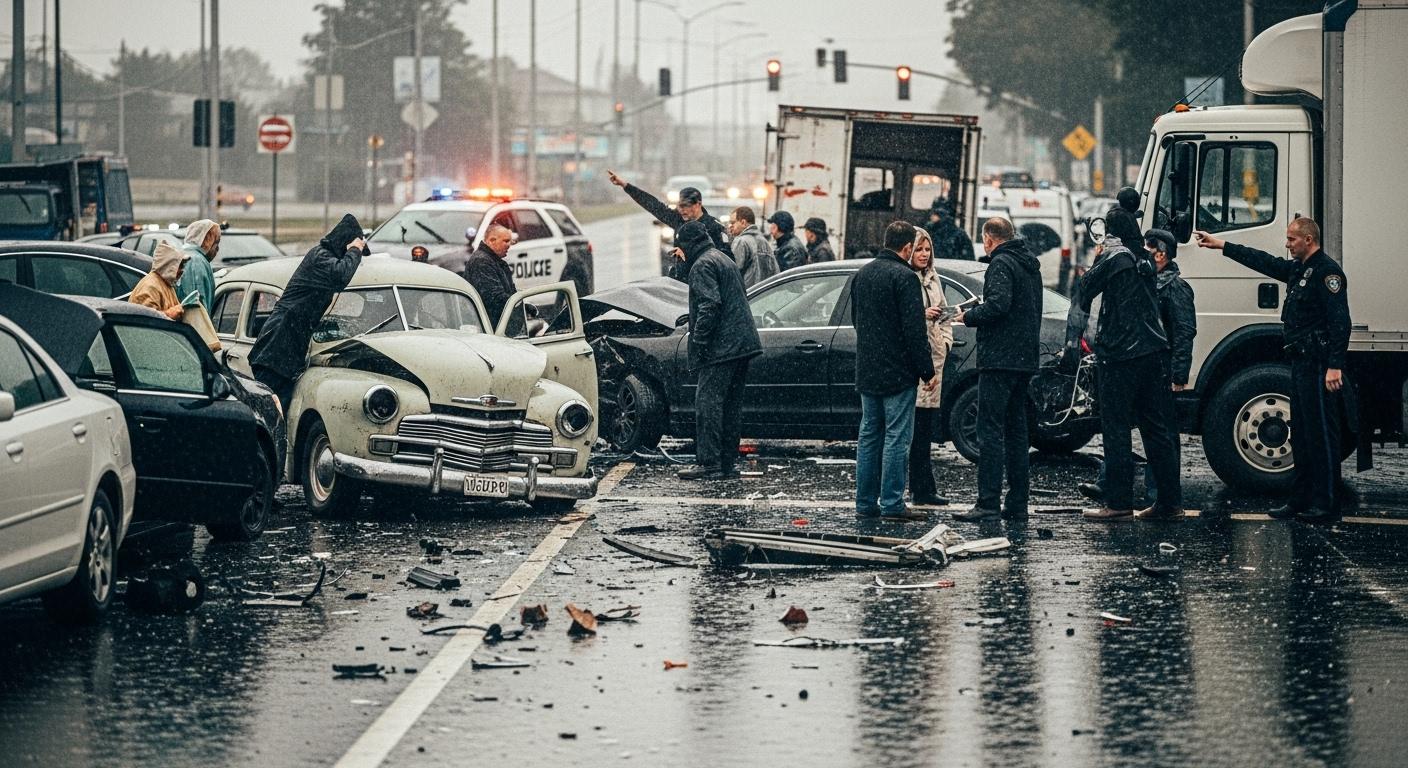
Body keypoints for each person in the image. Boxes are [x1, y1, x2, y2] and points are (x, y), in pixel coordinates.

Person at [1196, 219, 1349, 523]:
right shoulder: (1299, 269)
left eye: (1293, 239)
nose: (1288, 244)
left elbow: (1340, 322)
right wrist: (1223, 245)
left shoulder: (1327, 273)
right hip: (1300, 363)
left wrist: (1335, 366)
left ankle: (1327, 505)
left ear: (1309, 239)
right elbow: (1263, 262)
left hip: (1318, 365)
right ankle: (1300, 499)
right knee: (1302, 437)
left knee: (1321, 436)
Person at [1072, 207, 1182, 520]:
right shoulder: (1146, 258)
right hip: (1153, 353)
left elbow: (1085, 289)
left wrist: (1099, 256)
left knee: (1116, 428)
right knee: (1156, 429)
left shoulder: (1114, 257)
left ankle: (1118, 503)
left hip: (1121, 355)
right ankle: (1170, 502)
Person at [953, 218, 1042, 521]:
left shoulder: (1001, 264)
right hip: (1023, 359)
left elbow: (999, 305)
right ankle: (1017, 503)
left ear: (989, 239)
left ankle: (987, 503)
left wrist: (968, 316)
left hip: (999, 358)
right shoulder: (1029, 265)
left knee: (989, 430)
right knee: (1017, 432)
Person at [852, 220, 939, 522]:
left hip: (868, 369)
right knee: (897, 438)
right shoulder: (905, 278)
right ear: (906, 248)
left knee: (869, 436)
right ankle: (891, 503)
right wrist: (927, 370)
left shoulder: (862, 274)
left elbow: (856, 320)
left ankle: (864, 503)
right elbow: (914, 331)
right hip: (898, 372)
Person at [673, 220, 762, 480]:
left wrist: (699, 343)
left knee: (708, 404)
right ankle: (727, 462)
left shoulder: (702, 265)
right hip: (743, 343)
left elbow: (710, 305)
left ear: (687, 244)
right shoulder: (721, 258)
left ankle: (709, 463)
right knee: (730, 406)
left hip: (722, 347)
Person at [249, 214, 367, 409]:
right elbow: (341, 276)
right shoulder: (320, 257)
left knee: (277, 411)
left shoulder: (323, 257)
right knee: (272, 412)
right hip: (276, 350)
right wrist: (354, 250)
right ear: (343, 244)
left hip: (283, 350)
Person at [606, 170, 730, 281]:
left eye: (685, 206)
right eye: (679, 206)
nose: (681, 210)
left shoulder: (713, 227)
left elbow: (724, 260)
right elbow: (653, 205)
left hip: (703, 282)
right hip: (681, 282)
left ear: (698, 204)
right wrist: (625, 186)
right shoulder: (678, 220)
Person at [908, 227, 954, 507]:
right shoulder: (907, 278)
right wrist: (921, 314)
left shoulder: (933, 279)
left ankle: (924, 487)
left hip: (935, 361)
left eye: (927, 249)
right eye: (919, 249)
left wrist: (946, 343)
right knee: (913, 429)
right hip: (916, 362)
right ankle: (918, 487)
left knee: (925, 429)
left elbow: (945, 315)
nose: (924, 255)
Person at [463, 223, 517, 324]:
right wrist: (517, 305)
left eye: (510, 241)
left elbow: (509, 292)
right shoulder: (481, 262)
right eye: (506, 241)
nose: (509, 245)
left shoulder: (494, 261)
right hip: (489, 327)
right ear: (492, 240)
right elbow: (494, 298)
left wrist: (522, 305)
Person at [129, 241, 191, 321]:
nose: (182, 271)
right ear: (168, 265)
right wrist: (169, 314)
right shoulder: (150, 287)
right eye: (180, 265)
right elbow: (146, 323)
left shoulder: (165, 283)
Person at [727, 206, 778, 288]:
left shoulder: (741, 241)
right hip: (765, 294)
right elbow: (776, 271)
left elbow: (732, 274)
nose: (730, 226)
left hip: (748, 295)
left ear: (743, 222)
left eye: (733, 223)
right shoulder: (764, 242)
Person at [176, 219, 220, 311]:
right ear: (207, 240)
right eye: (216, 242)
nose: (217, 249)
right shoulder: (196, 262)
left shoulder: (182, 254)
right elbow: (198, 305)